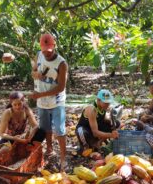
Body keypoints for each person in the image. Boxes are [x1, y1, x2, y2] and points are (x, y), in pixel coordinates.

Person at [29, 33, 68, 171]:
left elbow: (61, 87)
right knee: (45, 127)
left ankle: (63, 159)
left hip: (56, 101)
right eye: (44, 50)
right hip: (42, 101)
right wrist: (36, 74)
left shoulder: (61, 64)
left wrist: (41, 94)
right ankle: (49, 149)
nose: (46, 54)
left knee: (59, 130)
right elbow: (33, 70)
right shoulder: (39, 55)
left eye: (49, 51)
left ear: (54, 47)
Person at [76, 89, 119, 154]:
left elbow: (102, 118)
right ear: (98, 100)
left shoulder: (103, 107)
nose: (108, 104)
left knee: (115, 123)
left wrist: (112, 123)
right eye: (106, 102)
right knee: (82, 132)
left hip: (95, 127)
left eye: (109, 102)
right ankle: (85, 146)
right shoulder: (92, 110)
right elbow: (95, 133)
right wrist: (111, 135)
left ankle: (98, 143)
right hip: (86, 130)